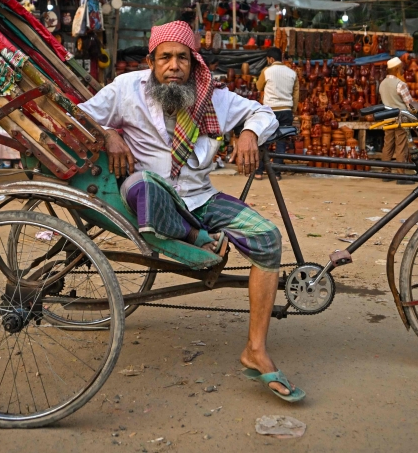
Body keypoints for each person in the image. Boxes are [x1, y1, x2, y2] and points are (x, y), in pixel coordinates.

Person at [79, 21, 305, 402]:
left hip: (201, 198)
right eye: (165, 57)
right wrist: (109, 134)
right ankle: (198, 238)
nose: (174, 65)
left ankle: (255, 350)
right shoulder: (125, 90)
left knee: (267, 239)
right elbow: (82, 113)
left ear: (193, 62)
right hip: (148, 193)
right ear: (151, 61)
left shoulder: (212, 96)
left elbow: (261, 114)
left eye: (182, 57)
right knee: (146, 185)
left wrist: (249, 133)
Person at [254, 47, 298, 180]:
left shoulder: (267, 71)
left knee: (263, 140)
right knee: (281, 142)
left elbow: (258, 87)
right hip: (286, 111)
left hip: (270, 111)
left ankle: (259, 172)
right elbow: (296, 95)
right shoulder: (292, 73)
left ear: (271, 59)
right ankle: (277, 173)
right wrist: (292, 110)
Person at [378, 56, 418, 184]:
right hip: (401, 118)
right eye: (401, 68)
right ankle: (402, 176)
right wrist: (416, 113)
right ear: (396, 69)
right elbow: (409, 104)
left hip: (387, 117)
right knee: (401, 145)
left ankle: (386, 173)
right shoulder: (400, 84)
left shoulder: (382, 83)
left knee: (388, 144)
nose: (402, 70)